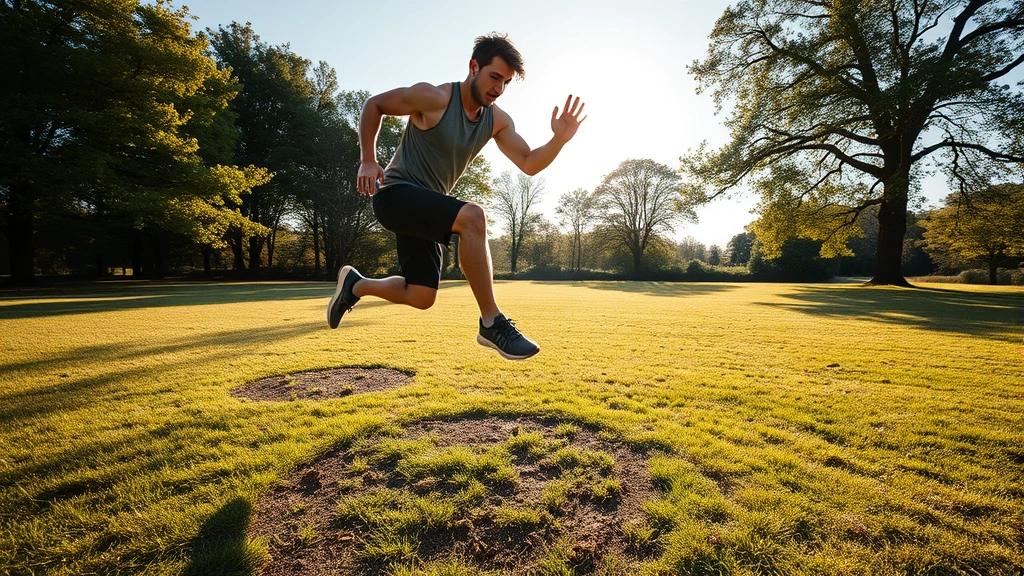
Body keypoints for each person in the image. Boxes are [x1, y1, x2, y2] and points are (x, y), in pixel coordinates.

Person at [328, 32, 585, 360]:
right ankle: (492, 322)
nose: (498, 88)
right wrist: (367, 158)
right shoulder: (433, 98)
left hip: (425, 210)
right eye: (494, 77)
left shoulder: (497, 121)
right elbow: (374, 105)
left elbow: (528, 162)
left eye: (506, 82)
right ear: (473, 66)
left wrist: (559, 141)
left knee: (421, 295)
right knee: (473, 216)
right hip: (395, 196)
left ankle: (355, 285)